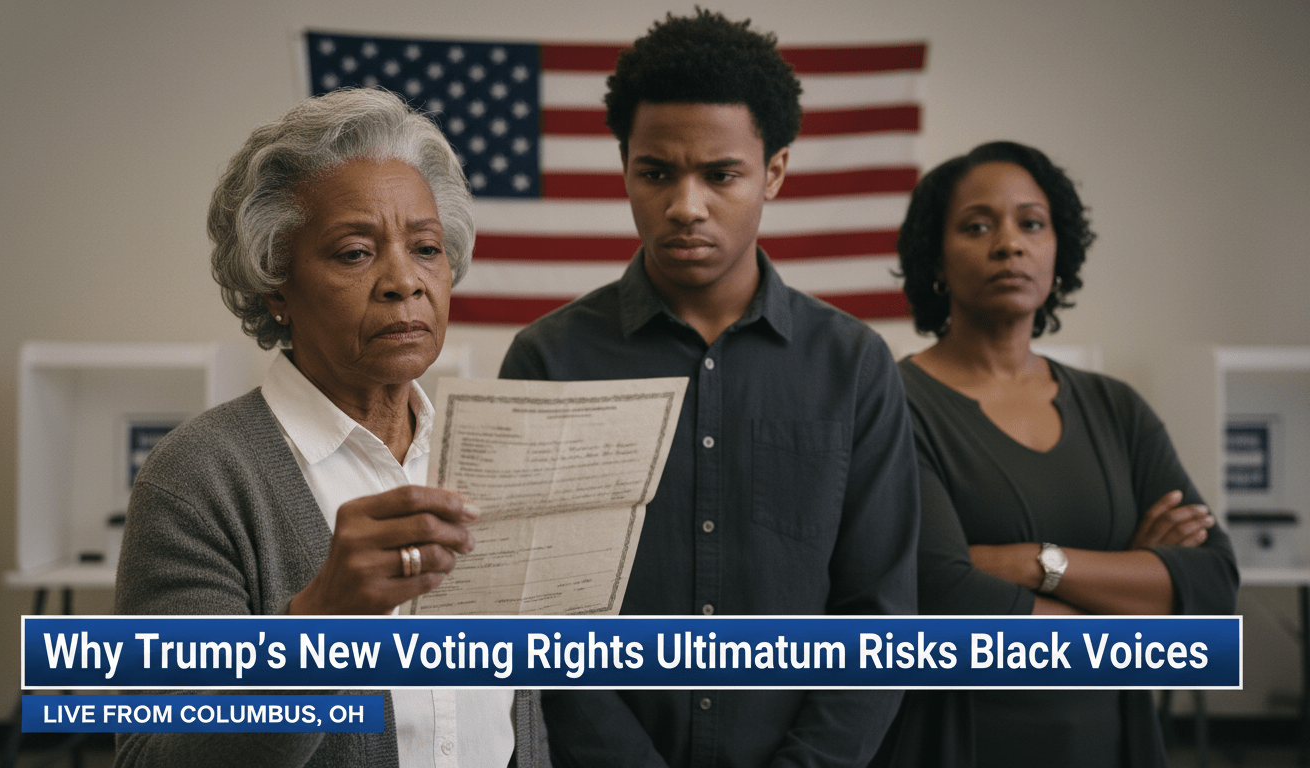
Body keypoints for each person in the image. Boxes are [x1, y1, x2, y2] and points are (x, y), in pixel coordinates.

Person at [498, 10, 919, 768]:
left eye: (720, 174)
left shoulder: (855, 366)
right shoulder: (547, 360)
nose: (685, 205)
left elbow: (878, 617)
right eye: (657, 172)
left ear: (775, 172)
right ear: (625, 167)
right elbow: (537, 619)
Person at [114, 88, 549, 768]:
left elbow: (518, 722)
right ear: (275, 287)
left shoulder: (486, 457)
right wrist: (321, 623)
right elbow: (153, 754)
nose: (404, 281)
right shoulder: (199, 477)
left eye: (427, 248)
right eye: (354, 253)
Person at [878, 140, 1239, 767]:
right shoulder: (892, 404)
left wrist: (1029, 562)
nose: (1008, 244)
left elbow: (1210, 586)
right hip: (956, 742)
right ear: (935, 258)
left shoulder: (1117, 409)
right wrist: (1134, 592)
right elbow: (939, 595)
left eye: (1031, 223)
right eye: (976, 225)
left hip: (1114, 742)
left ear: (1056, 252)